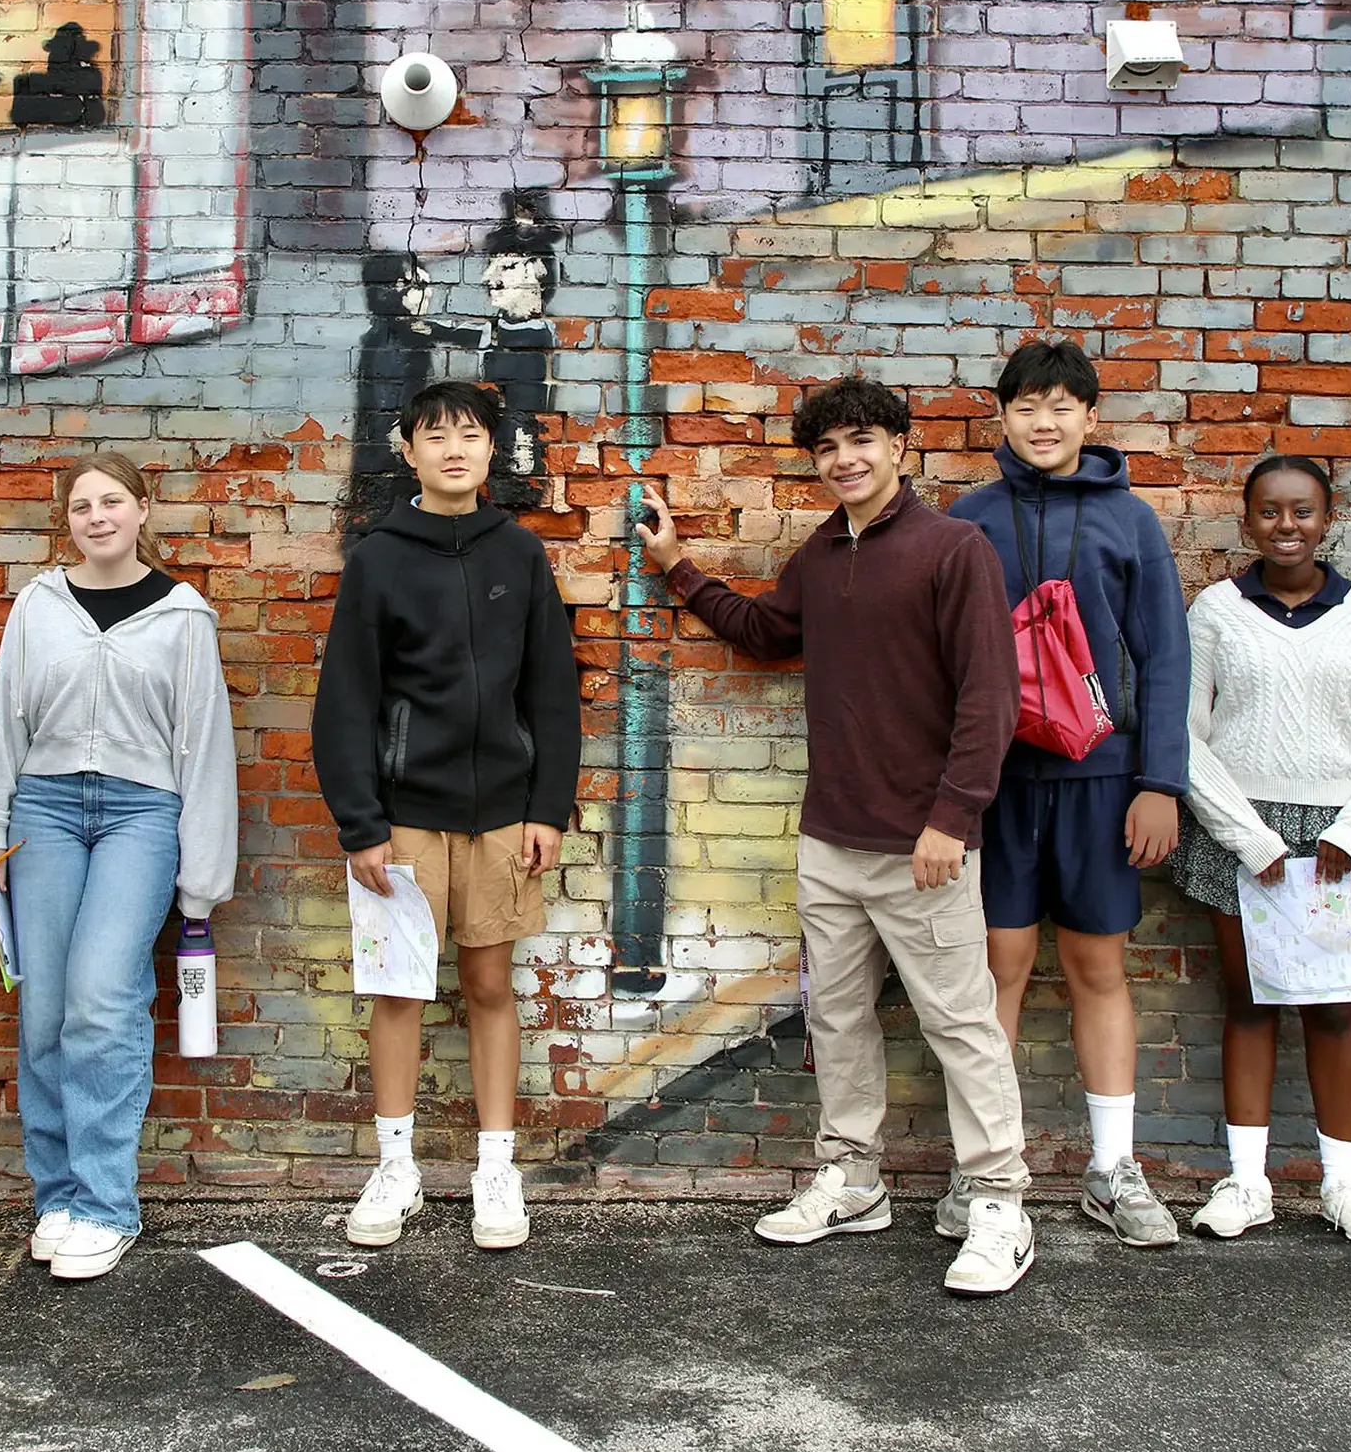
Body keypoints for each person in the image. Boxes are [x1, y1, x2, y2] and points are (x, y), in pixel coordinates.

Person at [637, 377, 1039, 1295]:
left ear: (900, 443)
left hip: (924, 845)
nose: (844, 460)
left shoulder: (955, 548)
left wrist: (951, 817)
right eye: (826, 450)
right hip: (832, 842)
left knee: (960, 1023)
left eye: (861, 440)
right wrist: (677, 565)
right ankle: (854, 1177)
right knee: (838, 1017)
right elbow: (765, 632)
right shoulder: (821, 555)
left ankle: (998, 1201)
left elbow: (991, 699)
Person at [313, 380, 581, 1253]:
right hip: (405, 819)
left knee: (490, 986)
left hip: (502, 814)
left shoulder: (520, 555)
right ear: (408, 449)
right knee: (398, 991)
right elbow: (345, 701)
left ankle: (494, 1169)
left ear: (492, 449)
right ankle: (395, 1166)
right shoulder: (380, 558)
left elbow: (551, 688)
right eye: (436, 436)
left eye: (470, 434)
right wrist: (361, 822)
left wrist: (548, 807)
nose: (454, 449)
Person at [0, 453, 238, 1282]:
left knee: (100, 997)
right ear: (68, 520)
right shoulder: (38, 605)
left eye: (112, 500)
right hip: (42, 810)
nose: (96, 516)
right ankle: (57, 1194)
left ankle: (106, 1204)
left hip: (139, 813)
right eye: (81, 505)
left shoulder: (183, 615)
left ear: (143, 510)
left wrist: (204, 874)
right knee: (45, 1004)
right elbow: (7, 721)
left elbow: (203, 745)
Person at [948, 337, 1189, 1249]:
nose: (1042, 422)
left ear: (1091, 418)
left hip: (1103, 782)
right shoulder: (968, 519)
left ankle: (1111, 1167)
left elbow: (1166, 655)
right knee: (994, 970)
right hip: (995, 784)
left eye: (1061, 405)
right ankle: (986, 1172)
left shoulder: (1129, 521)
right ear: (1000, 417)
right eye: (1025, 405)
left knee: (1098, 969)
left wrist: (1161, 781)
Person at [1170, 456, 1351, 1245]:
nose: (1287, 526)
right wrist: (1249, 837)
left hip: (1338, 839)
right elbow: (1184, 733)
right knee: (1247, 1003)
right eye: (1271, 512)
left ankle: (1344, 1186)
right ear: (1247, 522)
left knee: (1334, 1009)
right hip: (1243, 833)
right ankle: (1247, 1184)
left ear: (1327, 519)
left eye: (1303, 511)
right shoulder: (1215, 609)